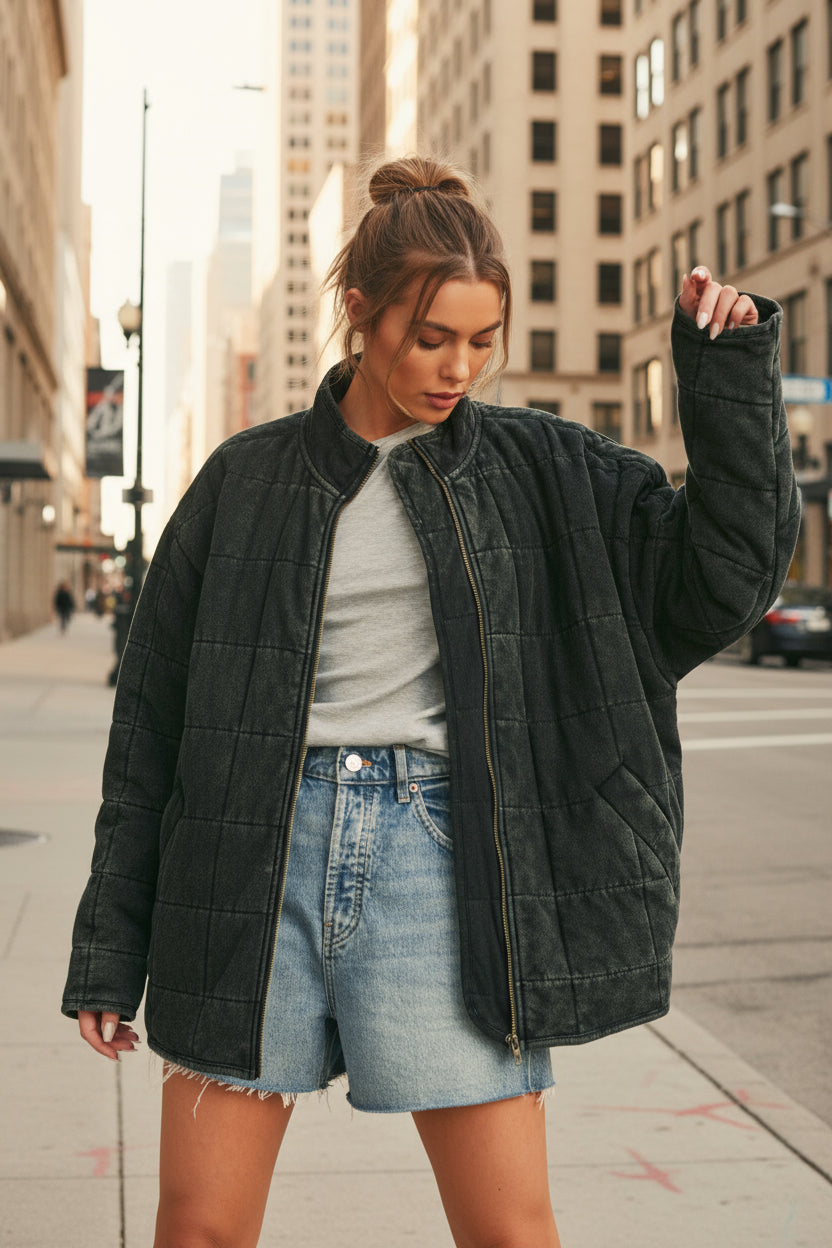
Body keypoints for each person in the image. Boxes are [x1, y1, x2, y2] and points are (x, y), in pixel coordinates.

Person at [62, 156, 799, 1248]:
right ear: (358, 312)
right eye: (431, 337)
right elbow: (154, 730)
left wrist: (727, 377)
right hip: (250, 868)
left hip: (441, 866)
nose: (459, 368)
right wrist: (110, 946)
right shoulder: (246, 481)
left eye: (482, 339)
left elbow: (723, 579)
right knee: (200, 1229)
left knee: (507, 1230)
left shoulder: (543, 471)